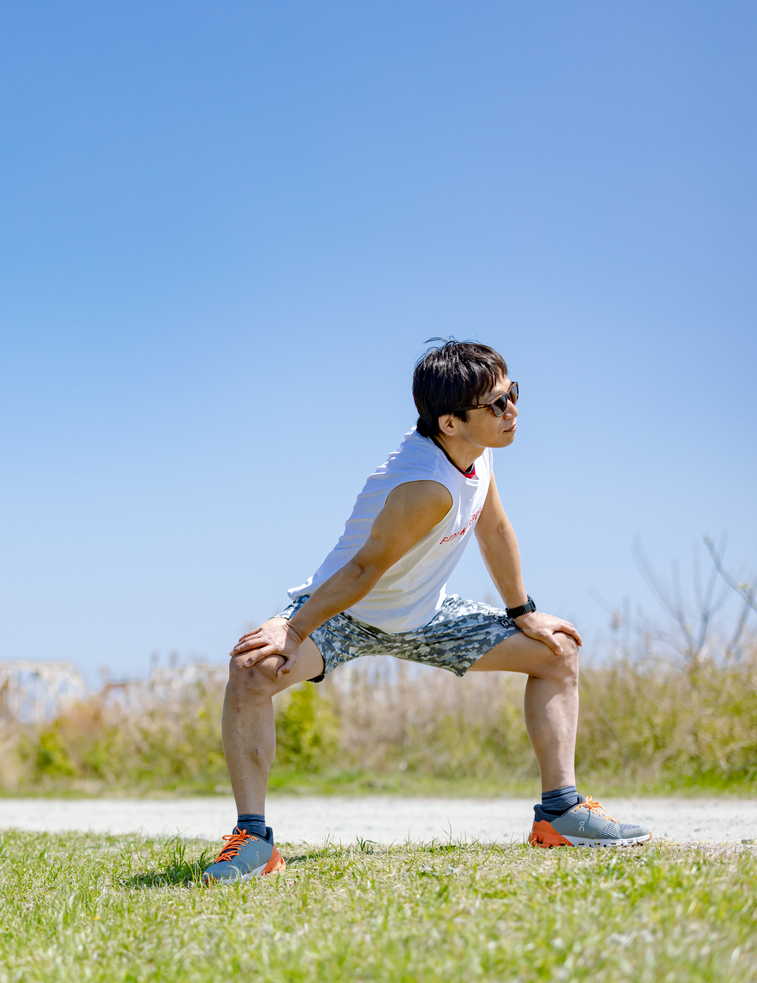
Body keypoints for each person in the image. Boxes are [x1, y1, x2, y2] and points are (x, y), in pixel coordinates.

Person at [205, 339, 651, 886]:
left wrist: (524, 612)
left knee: (555, 652)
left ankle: (560, 814)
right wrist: (294, 627)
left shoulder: (475, 455)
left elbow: (494, 527)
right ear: (449, 422)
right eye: (497, 405)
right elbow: (364, 571)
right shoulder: (425, 487)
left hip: (426, 616)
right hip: (346, 611)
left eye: (512, 394)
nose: (513, 411)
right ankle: (253, 840)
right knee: (251, 672)